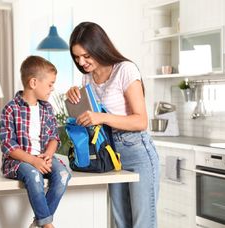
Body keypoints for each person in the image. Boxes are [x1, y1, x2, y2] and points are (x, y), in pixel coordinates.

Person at [66, 22, 160, 228]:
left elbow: (141, 121)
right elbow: (89, 119)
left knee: (142, 223)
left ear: (98, 47)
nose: (81, 62)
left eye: (86, 56)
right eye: (77, 57)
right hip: (111, 154)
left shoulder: (125, 70)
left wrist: (102, 117)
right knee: (120, 223)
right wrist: (75, 98)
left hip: (137, 151)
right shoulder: (87, 78)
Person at [0, 55, 71, 228]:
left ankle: (38, 223)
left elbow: (54, 137)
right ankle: (47, 225)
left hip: (43, 157)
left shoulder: (47, 108)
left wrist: (47, 154)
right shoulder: (10, 109)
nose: (52, 88)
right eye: (50, 84)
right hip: (19, 161)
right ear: (33, 83)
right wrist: (33, 161)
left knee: (63, 175)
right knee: (34, 176)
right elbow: (8, 145)